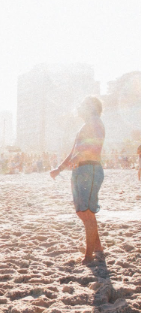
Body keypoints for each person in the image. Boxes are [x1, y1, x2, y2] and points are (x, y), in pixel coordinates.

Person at [50, 96, 105, 265]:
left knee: (87, 212)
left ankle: (89, 256)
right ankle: (97, 247)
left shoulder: (95, 123)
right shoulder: (85, 126)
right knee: (82, 211)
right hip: (81, 170)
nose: (78, 107)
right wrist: (59, 168)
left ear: (90, 108)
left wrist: (79, 156)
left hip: (90, 169)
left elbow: (94, 147)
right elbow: (73, 151)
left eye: (82, 105)